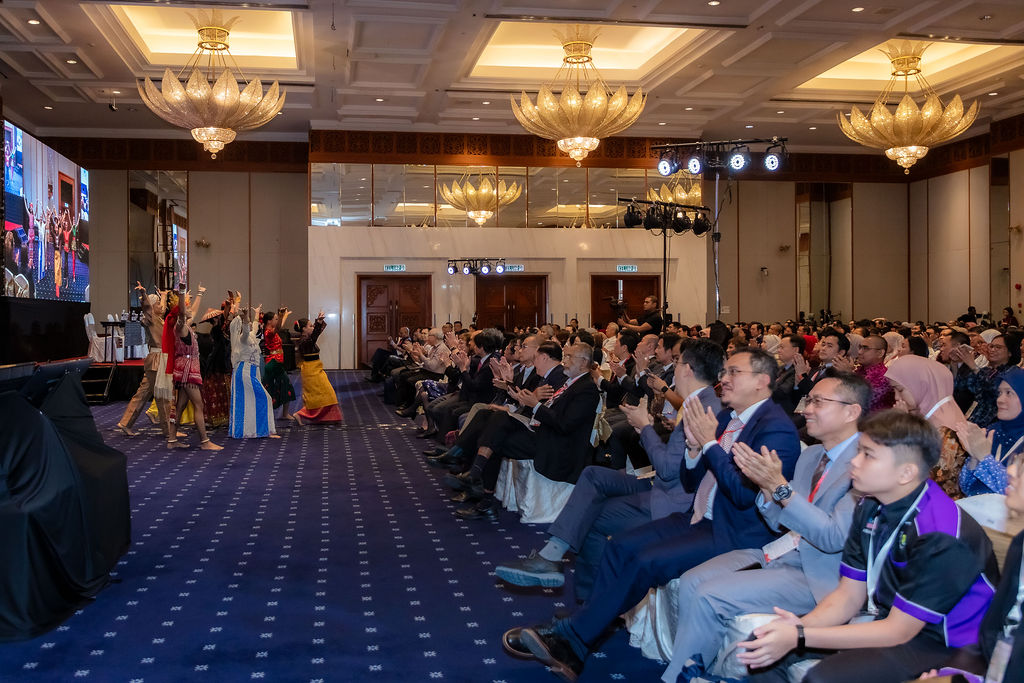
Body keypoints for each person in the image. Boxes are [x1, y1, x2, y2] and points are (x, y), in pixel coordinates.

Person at [504, 348, 801, 681]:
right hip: (699, 516)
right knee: (620, 547)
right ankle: (582, 630)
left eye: (734, 373)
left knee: (645, 560)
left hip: (733, 532)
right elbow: (692, 480)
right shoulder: (732, 419)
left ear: (762, 381)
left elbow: (743, 496)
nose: (724, 379)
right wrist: (695, 451)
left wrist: (708, 445)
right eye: (725, 371)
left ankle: (573, 637)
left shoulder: (775, 429)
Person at [737, 410, 997, 683]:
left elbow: (899, 631)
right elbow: (849, 594)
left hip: (943, 644)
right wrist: (797, 627)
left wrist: (800, 636)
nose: (854, 461)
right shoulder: (870, 504)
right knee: (762, 642)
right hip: (887, 620)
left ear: (906, 472)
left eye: (868, 455)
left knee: (824, 677)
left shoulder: (940, 533)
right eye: (858, 451)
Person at [661, 373, 869, 682]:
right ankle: (696, 670)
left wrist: (780, 489)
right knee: (692, 581)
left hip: (819, 575)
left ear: (851, 411)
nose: (806, 409)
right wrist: (766, 489)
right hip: (780, 551)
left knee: (708, 594)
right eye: (808, 400)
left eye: (817, 402)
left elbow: (831, 537)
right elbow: (777, 520)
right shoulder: (812, 455)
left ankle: (678, 677)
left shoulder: (865, 464)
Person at [492, 338, 724, 600]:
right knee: (593, 474)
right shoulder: (699, 403)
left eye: (678, 362)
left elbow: (669, 469)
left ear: (688, 370)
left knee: (594, 514)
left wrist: (646, 428)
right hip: (664, 483)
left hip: (671, 494)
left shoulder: (703, 408)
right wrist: (645, 428)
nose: (672, 370)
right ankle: (553, 557)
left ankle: (582, 593)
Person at [114, 282, 174, 439]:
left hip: (158, 359)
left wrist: (164, 296)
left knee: (144, 393)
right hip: (157, 359)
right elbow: (147, 307)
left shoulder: (158, 318)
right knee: (162, 395)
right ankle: (169, 430)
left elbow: (160, 308)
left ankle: (126, 422)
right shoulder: (151, 318)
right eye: (158, 304)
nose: (161, 306)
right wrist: (144, 294)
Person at [167, 283, 222, 451]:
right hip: (187, 370)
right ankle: (205, 441)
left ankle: (171, 440)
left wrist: (199, 294)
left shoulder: (185, 325)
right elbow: (182, 313)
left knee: (181, 406)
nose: (190, 309)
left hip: (186, 368)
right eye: (187, 306)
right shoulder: (180, 326)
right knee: (199, 405)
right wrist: (182, 294)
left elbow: (193, 311)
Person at [955, 366, 1024, 496]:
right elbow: (966, 487)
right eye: (999, 393)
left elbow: (1018, 495)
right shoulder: (993, 431)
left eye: (1009, 393)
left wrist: (984, 458)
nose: (1000, 400)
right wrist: (974, 458)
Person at [228, 304, 278, 439]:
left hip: (251, 371)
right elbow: (246, 330)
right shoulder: (242, 338)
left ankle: (252, 430)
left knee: (251, 401)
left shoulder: (251, 336)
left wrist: (256, 314)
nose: (250, 323)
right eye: (247, 322)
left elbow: (254, 327)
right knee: (265, 398)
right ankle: (264, 430)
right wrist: (245, 317)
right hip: (244, 372)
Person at [293, 312, 343, 425]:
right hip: (311, 371)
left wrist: (319, 322)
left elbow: (316, 333)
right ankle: (300, 414)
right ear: (304, 329)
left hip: (314, 369)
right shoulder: (305, 341)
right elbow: (315, 334)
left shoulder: (307, 339)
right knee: (322, 395)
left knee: (323, 395)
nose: (313, 327)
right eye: (310, 326)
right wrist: (319, 322)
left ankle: (322, 417)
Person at [261, 308, 296, 422]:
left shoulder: (272, 330)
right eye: (275, 319)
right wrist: (281, 316)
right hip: (273, 363)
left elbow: (279, 325)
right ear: (269, 321)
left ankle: (283, 414)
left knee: (281, 385)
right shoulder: (268, 332)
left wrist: (284, 316)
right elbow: (279, 327)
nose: (277, 321)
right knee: (272, 387)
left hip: (276, 363)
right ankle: (269, 414)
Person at [856, 334, 896, 412]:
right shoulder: (861, 370)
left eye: (865, 348)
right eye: (860, 347)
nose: (859, 352)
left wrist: (848, 375)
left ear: (880, 353)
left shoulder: (884, 377)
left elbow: (862, 402)